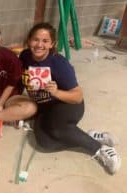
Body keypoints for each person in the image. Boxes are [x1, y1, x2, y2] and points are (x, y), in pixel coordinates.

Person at [19, 22, 121, 174]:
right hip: (45, 107)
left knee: (57, 129)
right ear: (29, 40)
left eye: (45, 41)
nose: (39, 44)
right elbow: (20, 77)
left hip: (67, 103)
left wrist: (56, 92)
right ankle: (86, 135)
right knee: (44, 143)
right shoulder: (25, 56)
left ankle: (101, 149)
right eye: (35, 39)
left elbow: (78, 96)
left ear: (52, 43)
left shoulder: (59, 63)